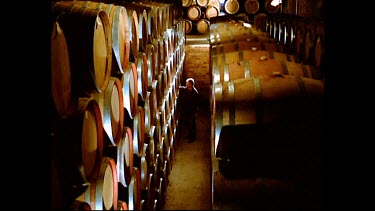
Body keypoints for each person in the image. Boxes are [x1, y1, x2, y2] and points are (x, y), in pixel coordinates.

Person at [178, 77, 199, 142]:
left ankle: (192, 138)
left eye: (187, 84)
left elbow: (196, 103)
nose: (186, 85)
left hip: (192, 111)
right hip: (187, 110)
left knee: (192, 124)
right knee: (188, 124)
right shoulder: (186, 90)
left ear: (190, 84)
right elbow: (182, 88)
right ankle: (189, 135)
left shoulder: (194, 92)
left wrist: (195, 112)